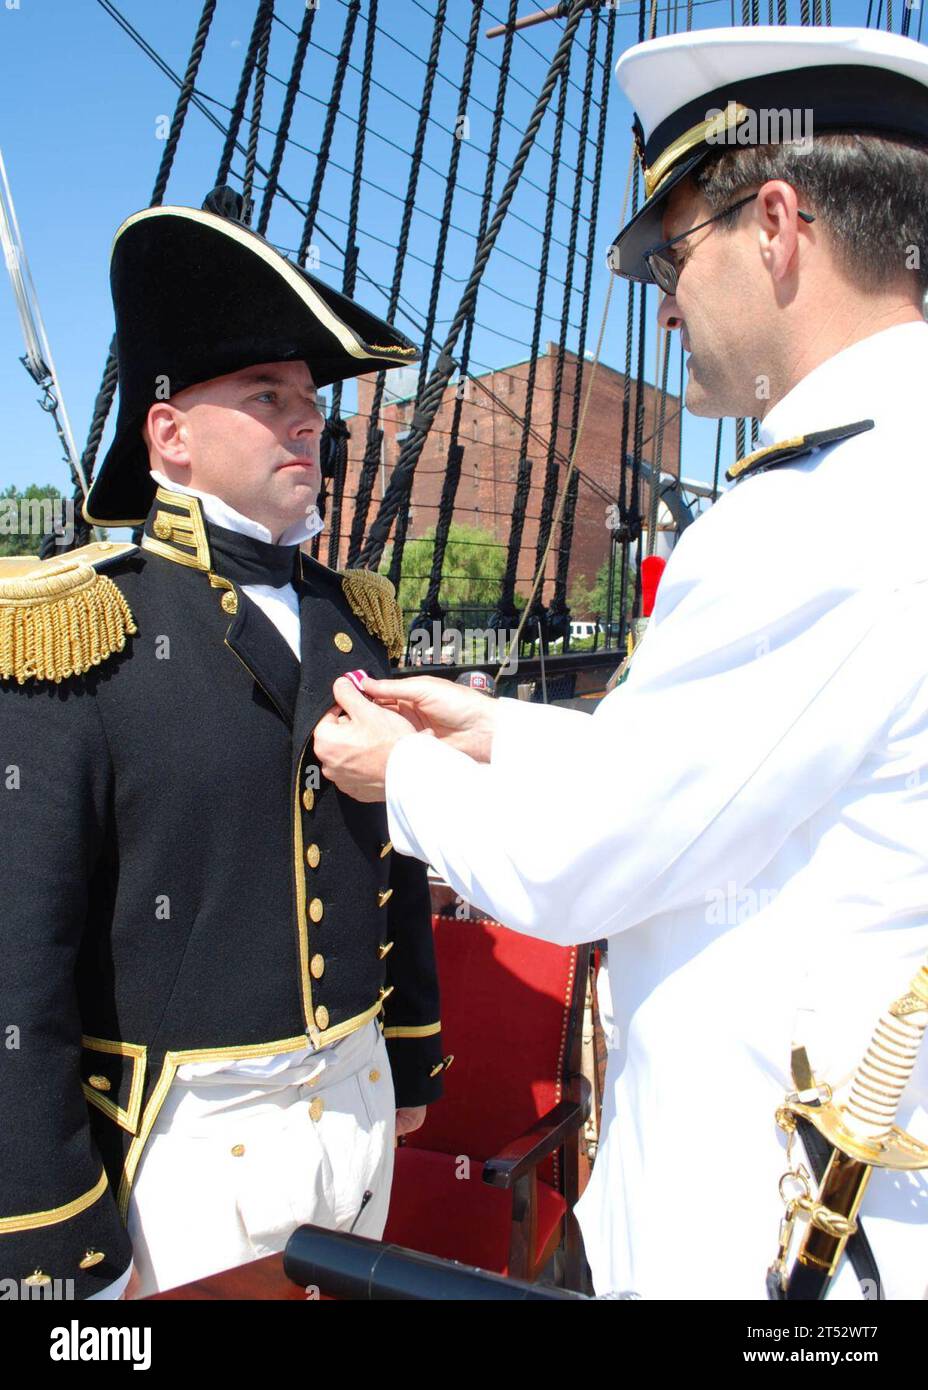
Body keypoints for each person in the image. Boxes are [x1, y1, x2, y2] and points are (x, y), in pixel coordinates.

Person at [313, 26, 928, 1300]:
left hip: (763, 1250)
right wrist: (503, 733)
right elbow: (751, 775)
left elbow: (578, 863)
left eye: (666, 248)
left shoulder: (821, 512)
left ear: (775, 224)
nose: (656, 296)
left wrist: (402, 776)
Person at [0, 189, 446, 1300]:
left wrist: (407, 1052)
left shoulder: (358, 617)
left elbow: (392, 861)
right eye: (267, 395)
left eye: (310, 401)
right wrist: (48, 1231)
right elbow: (21, 962)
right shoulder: (78, 629)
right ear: (170, 434)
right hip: (181, 1159)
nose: (310, 422)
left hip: (357, 1120)